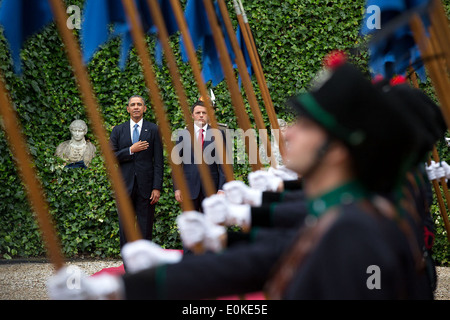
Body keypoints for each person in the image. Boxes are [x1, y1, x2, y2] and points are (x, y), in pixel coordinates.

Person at [46, 61, 438, 300]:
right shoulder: (346, 215)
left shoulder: (355, 230)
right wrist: (133, 286)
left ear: (336, 150)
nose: (288, 134)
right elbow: (267, 255)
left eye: (305, 125)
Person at [109, 95, 164, 248]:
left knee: (145, 229)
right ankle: (129, 267)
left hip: (146, 188)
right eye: (132, 104)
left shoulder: (153, 129)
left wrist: (156, 187)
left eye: (139, 104)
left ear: (144, 108)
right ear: (128, 109)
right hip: (124, 187)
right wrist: (130, 150)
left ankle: (144, 267)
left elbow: (158, 161)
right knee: (125, 228)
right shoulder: (118, 130)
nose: (136, 107)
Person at [173, 99, 226, 212]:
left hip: (212, 188)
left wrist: (222, 188)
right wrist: (177, 188)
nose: (201, 115)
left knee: (211, 224)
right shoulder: (183, 134)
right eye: (198, 113)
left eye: (204, 113)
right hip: (188, 187)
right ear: (192, 115)